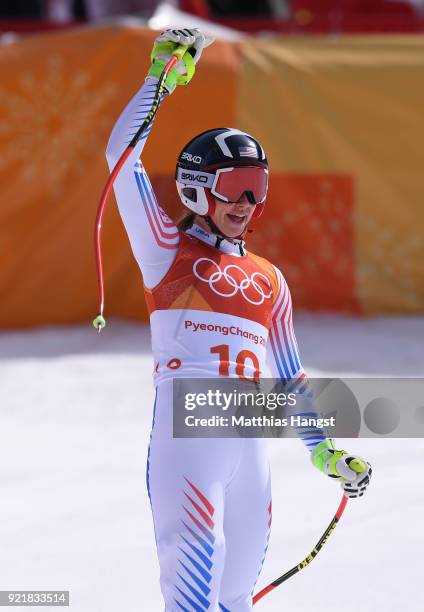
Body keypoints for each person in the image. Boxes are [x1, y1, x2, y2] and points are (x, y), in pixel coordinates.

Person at [105, 28, 372, 611]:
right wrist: (160, 80)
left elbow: (291, 378)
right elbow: (121, 161)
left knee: (234, 603)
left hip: (251, 443)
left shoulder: (269, 280)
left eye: (259, 189)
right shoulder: (165, 248)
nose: (248, 203)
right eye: (236, 187)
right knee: (193, 601)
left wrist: (324, 449)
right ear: (198, 189)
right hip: (189, 436)